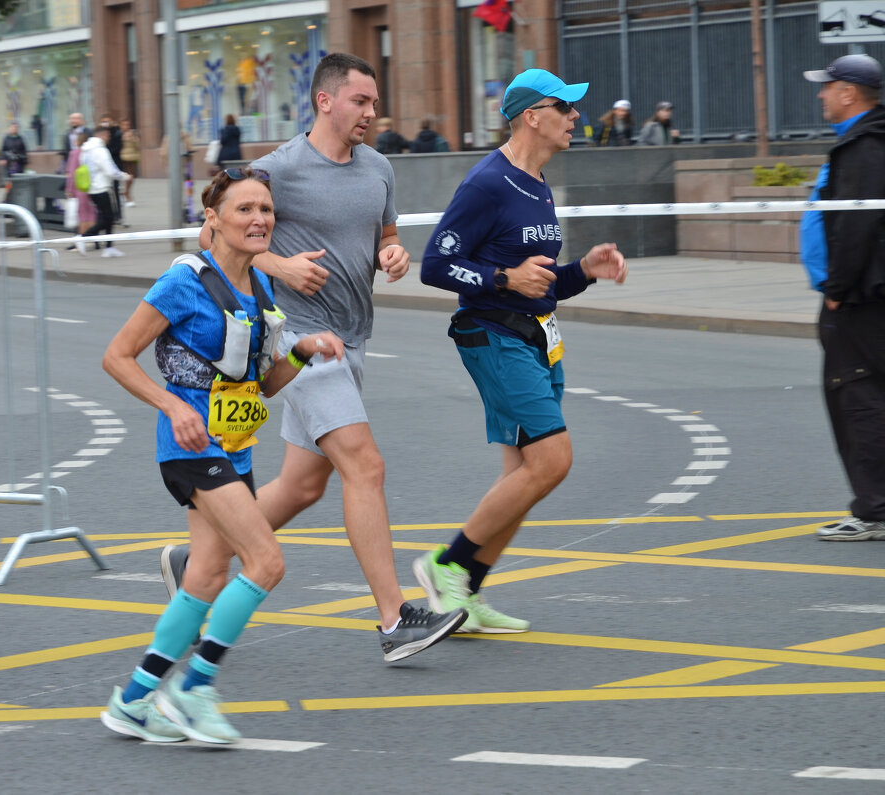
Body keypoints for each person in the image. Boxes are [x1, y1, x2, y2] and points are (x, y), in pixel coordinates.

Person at [169, 53, 467, 662]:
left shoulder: (379, 168)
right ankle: (393, 620)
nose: (371, 112)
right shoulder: (278, 168)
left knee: (303, 486)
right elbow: (208, 234)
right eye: (361, 101)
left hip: (352, 337)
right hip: (297, 340)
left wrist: (393, 255)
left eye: (375, 101)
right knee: (366, 465)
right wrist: (276, 264)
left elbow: (385, 234)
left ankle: (199, 560)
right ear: (326, 101)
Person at [100, 167, 344, 744]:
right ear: (213, 219)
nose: (258, 219)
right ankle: (192, 689)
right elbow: (117, 355)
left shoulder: (259, 289)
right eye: (244, 210)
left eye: (265, 209)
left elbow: (260, 387)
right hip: (189, 446)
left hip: (234, 444)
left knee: (208, 573)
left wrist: (305, 351)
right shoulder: (183, 281)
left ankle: (133, 700)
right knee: (267, 562)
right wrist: (171, 406)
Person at [414, 68, 628, 632]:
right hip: (493, 335)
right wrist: (504, 281)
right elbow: (435, 265)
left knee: (522, 478)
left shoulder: (538, 185)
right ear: (533, 115)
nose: (576, 117)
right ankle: (446, 566)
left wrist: (583, 270)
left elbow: (542, 280)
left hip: (536, 339)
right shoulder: (488, 182)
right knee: (553, 461)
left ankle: (467, 594)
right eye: (566, 107)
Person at [799, 55, 885, 541]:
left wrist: (837, 290)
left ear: (849, 92)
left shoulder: (863, 146)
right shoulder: (868, 141)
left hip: (858, 300)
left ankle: (873, 509)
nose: (821, 95)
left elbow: (857, 224)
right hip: (864, 294)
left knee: (857, 399)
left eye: (827, 87)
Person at [80, 126, 128, 257]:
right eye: (107, 136)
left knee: (106, 217)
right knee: (108, 219)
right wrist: (125, 176)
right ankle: (83, 237)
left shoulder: (86, 150)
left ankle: (108, 247)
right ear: (102, 135)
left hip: (92, 188)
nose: (108, 139)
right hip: (101, 188)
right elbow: (110, 170)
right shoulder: (100, 151)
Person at [100, 114, 125, 227]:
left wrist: (105, 151)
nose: (105, 123)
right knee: (105, 192)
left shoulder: (117, 133)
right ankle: (108, 214)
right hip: (102, 168)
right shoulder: (99, 133)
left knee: (115, 191)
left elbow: (117, 148)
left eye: (107, 121)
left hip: (114, 165)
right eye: (103, 121)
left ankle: (118, 215)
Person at [119, 119, 140, 207]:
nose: (126, 127)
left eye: (128, 125)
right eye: (124, 125)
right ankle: (126, 194)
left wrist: (133, 138)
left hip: (132, 158)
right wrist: (123, 140)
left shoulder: (133, 134)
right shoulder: (119, 134)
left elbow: (138, 146)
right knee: (127, 176)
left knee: (132, 177)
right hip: (123, 158)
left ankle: (126, 192)